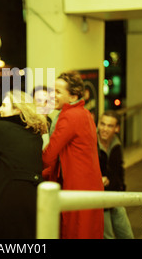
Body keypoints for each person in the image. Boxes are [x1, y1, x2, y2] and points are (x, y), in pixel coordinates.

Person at [0, 90, 48, 239]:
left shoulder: (0, 129)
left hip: (4, 197)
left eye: (4, 105)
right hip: (31, 200)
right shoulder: (36, 136)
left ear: (17, 109)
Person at [42, 70, 104, 239]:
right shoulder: (84, 113)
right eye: (52, 90)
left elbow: (49, 155)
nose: (52, 95)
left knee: (75, 232)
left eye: (58, 92)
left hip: (77, 186)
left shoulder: (68, 116)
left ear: (73, 96)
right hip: (90, 184)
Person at [97, 110, 134, 239]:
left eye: (110, 126)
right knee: (107, 236)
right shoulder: (91, 143)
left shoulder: (117, 144)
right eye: (102, 124)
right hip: (99, 200)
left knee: (127, 234)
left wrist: (122, 188)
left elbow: (119, 168)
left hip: (116, 195)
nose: (104, 129)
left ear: (117, 128)